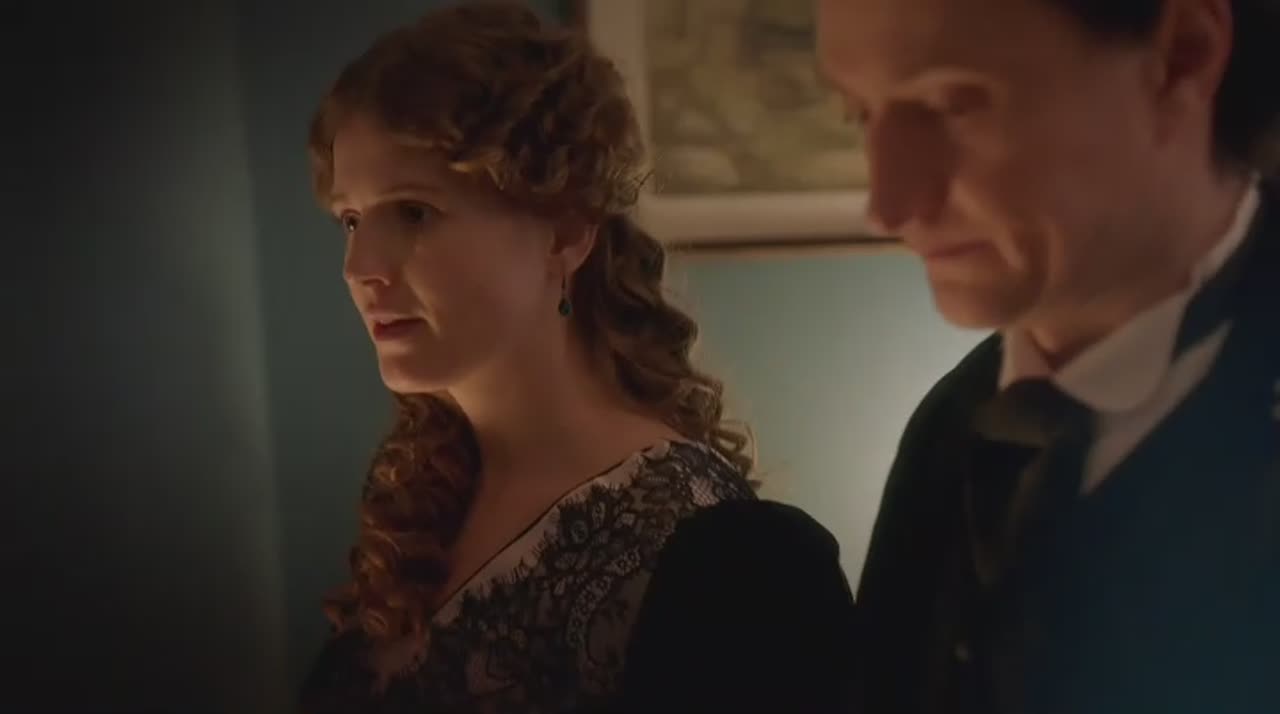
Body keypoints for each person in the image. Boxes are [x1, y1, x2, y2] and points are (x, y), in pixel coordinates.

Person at [297, 2, 857, 712]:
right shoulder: (424, 493)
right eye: (351, 219)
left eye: (414, 212)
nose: (360, 267)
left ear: (564, 234)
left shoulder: (728, 559)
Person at [817, 0, 1280, 712]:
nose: (888, 205)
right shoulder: (953, 428)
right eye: (860, 114)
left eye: (953, 104)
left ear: (1180, 56)